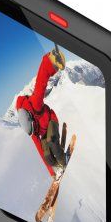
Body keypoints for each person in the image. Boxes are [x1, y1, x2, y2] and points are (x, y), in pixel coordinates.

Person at [16, 47, 68, 179]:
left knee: (51, 141)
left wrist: (51, 60)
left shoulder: (35, 103)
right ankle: (57, 168)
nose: (34, 132)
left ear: (31, 118)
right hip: (44, 131)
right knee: (47, 155)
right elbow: (39, 150)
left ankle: (63, 161)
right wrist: (51, 172)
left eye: (34, 129)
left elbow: (41, 81)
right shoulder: (32, 132)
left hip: (51, 120)